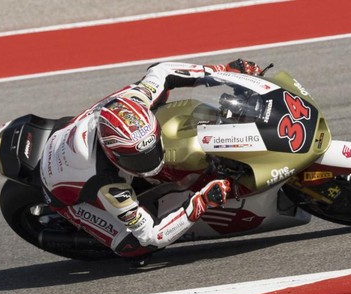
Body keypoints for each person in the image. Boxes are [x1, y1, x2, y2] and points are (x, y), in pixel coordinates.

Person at [39, 59, 262, 265]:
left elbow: (162, 70)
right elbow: (151, 235)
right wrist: (201, 201)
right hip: (62, 190)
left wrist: (222, 71)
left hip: (74, 131)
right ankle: (107, 239)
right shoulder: (109, 187)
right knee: (135, 246)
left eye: (152, 148)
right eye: (138, 159)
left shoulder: (134, 100)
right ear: (113, 154)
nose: (150, 160)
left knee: (162, 98)